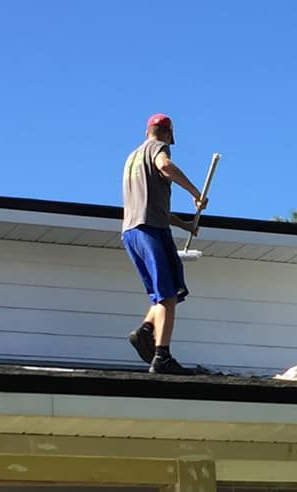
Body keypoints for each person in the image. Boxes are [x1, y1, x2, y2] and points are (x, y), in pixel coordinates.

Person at [122, 113, 205, 375]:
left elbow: (152, 206)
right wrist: (196, 193)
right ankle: (162, 356)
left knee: (162, 291)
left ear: (146, 131)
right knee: (169, 294)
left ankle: (146, 330)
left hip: (132, 232)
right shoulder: (158, 149)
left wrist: (186, 225)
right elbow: (166, 166)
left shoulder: (132, 159)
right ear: (168, 135)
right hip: (151, 231)